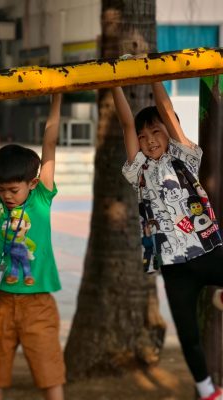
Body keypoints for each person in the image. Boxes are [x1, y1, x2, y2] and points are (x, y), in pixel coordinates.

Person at [112, 81, 223, 400]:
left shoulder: (185, 156)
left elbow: (167, 110)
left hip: (206, 250)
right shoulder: (139, 171)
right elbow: (125, 123)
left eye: (156, 132)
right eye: (143, 136)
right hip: (174, 266)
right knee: (188, 334)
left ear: (169, 131)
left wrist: (154, 76)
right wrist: (114, 83)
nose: (149, 140)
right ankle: (207, 391)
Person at [0, 94, 65, 400]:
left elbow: (49, 144)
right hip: (1, 299)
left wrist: (57, 98)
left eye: (13, 190)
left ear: (32, 182)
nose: (6, 195)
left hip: (37, 302)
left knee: (49, 374)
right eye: (2, 189)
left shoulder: (41, 198)